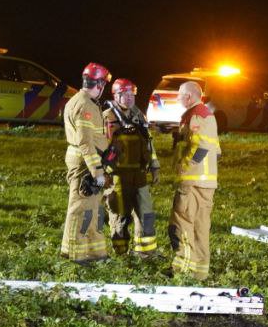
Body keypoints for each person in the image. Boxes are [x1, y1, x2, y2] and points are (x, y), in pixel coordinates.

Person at [61, 62, 112, 264]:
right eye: (103, 85)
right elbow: (85, 142)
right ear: (98, 84)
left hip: (88, 161)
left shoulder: (83, 101)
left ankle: (93, 252)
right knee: (80, 208)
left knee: (91, 207)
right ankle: (75, 254)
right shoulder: (85, 106)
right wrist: (97, 171)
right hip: (85, 163)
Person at [169, 81, 220, 280]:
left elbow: (201, 146)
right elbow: (216, 151)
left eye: (180, 94)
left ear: (189, 96)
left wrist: (185, 167)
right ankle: (199, 271)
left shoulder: (196, 114)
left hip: (193, 182)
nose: (178, 98)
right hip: (206, 182)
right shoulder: (207, 115)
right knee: (200, 226)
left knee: (181, 222)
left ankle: (183, 269)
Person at [103, 78, 160, 256]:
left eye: (131, 94)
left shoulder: (139, 116)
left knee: (146, 213)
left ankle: (145, 252)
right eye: (124, 94)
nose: (129, 98)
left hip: (139, 174)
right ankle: (120, 252)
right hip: (118, 175)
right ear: (116, 95)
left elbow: (148, 144)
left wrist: (154, 166)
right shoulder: (108, 117)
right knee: (120, 215)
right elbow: (102, 147)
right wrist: (102, 172)